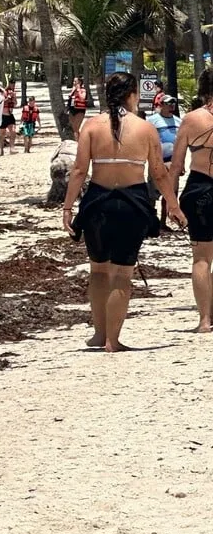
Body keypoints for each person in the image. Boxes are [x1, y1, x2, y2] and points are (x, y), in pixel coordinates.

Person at [63, 72, 183, 352]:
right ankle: (112, 340)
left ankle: (99, 333)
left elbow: (79, 170)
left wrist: (68, 207)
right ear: (131, 96)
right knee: (122, 274)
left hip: (97, 203)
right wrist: (173, 205)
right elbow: (158, 173)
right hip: (132, 204)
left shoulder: (91, 127)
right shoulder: (144, 128)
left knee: (98, 270)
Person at [173, 71, 213, 331]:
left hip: (199, 189)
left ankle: (204, 320)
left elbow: (176, 165)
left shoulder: (191, 119)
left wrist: (171, 202)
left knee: (201, 258)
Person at [148, 94, 181, 228]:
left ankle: (163, 222)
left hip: (173, 162)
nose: (171, 105)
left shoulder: (179, 121)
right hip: (157, 161)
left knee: (171, 192)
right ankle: (150, 221)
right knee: (152, 193)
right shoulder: (152, 120)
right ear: (161, 104)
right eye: (168, 103)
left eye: (173, 103)